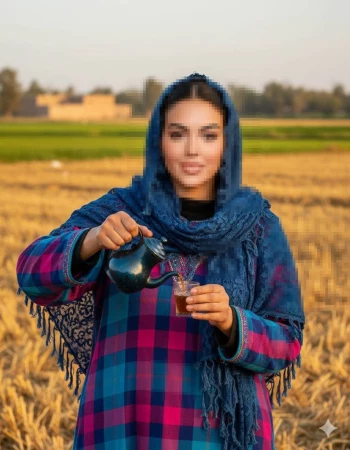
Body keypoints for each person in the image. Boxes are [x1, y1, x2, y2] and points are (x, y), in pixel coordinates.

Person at [16, 72, 305, 450]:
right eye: (177, 134)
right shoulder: (119, 211)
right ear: (158, 141)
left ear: (226, 144)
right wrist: (91, 240)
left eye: (208, 135)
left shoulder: (259, 228)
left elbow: (287, 344)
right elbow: (31, 274)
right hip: (122, 423)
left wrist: (232, 321)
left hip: (221, 434)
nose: (192, 150)